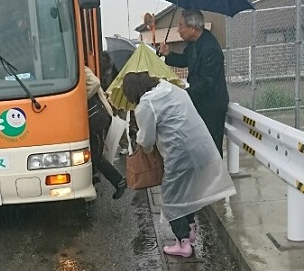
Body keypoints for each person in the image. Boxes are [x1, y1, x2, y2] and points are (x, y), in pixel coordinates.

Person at [122, 71, 236, 257]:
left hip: (180, 154)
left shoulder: (146, 105)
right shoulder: (171, 89)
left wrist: (139, 137)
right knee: (187, 193)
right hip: (202, 147)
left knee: (170, 199)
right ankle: (190, 232)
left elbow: (147, 141)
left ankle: (183, 244)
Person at [158, 9, 229, 157]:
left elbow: (206, 83)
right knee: (199, 147)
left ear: (193, 27)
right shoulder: (194, 44)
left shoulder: (210, 48)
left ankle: (216, 178)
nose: (179, 30)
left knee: (211, 148)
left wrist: (181, 95)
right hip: (200, 102)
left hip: (211, 107)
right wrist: (168, 54)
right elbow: (184, 60)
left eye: (181, 26)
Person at [85, 66, 127, 200]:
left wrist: (80, 99)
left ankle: (119, 181)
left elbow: (95, 83)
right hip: (96, 117)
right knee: (94, 151)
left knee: (97, 155)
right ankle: (92, 177)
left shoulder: (82, 68)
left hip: (97, 117)